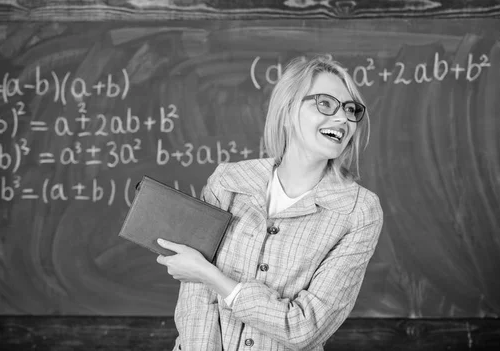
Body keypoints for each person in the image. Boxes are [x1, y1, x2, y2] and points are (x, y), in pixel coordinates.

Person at [156, 54, 383, 351]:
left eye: (350, 110)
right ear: (288, 111)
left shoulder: (358, 211)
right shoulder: (228, 182)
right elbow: (196, 301)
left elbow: (305, 328)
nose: (343, 119)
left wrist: (211, 276)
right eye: (325, 104)